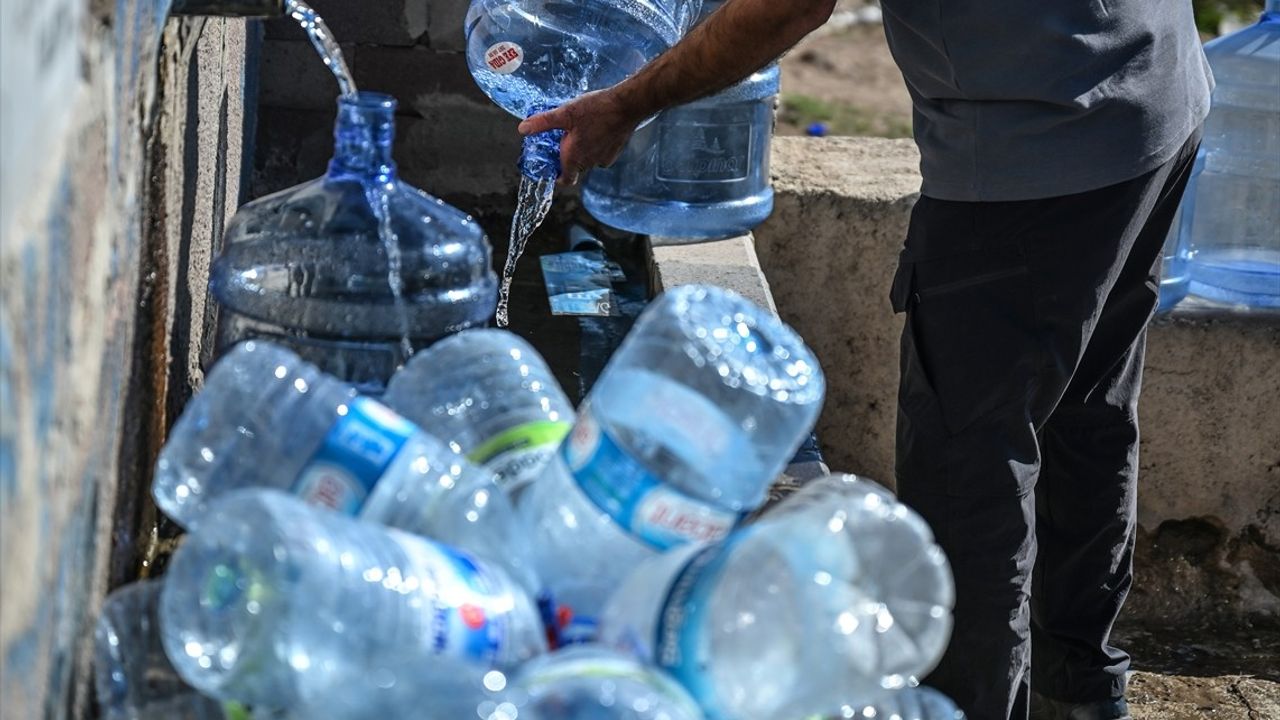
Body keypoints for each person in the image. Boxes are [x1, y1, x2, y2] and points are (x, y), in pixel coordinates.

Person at [521, 1, 1213, 719]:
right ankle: (1083, 692)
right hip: (1154, 94)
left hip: (1031, 157)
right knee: (1088, 415)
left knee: (970, 476)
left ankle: (967, 708)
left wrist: (628, 103)